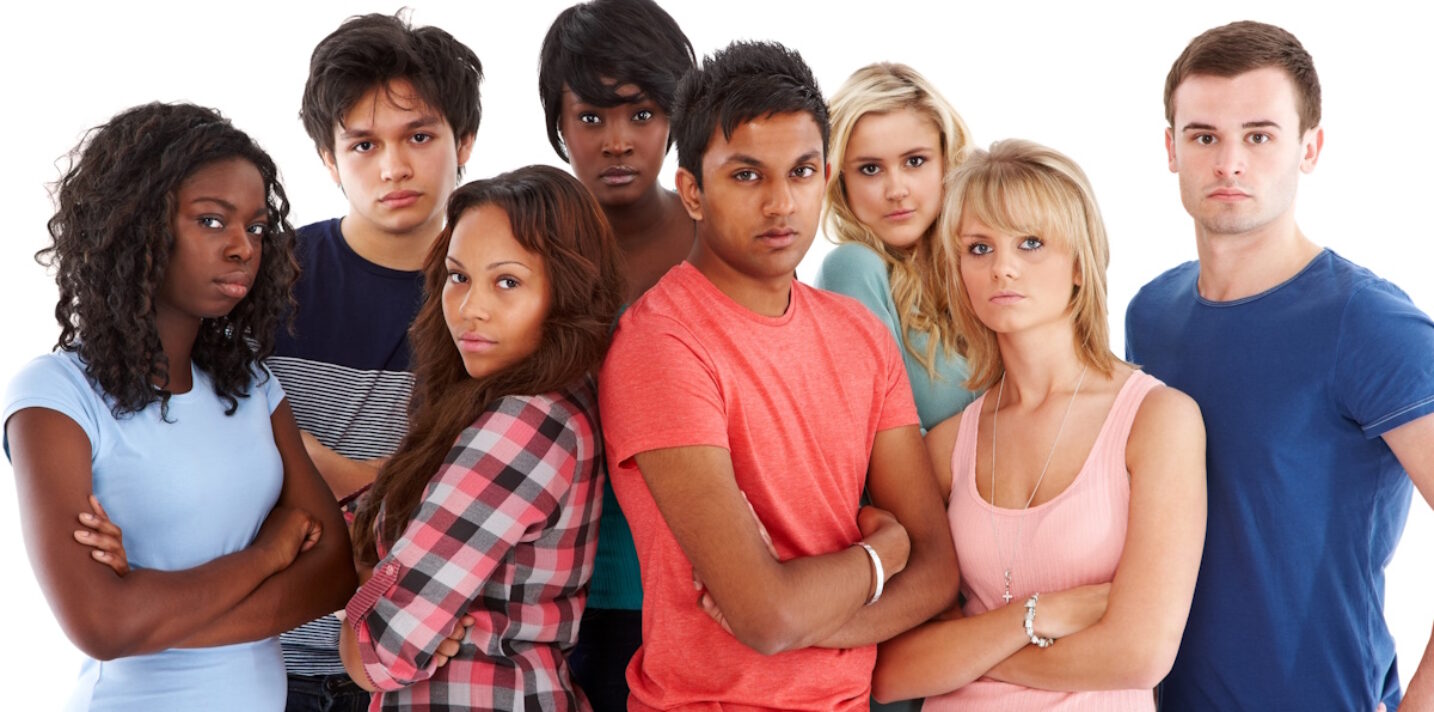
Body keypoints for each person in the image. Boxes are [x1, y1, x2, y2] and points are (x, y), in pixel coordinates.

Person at [598, 40, 958, 711]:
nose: (780, 204)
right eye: (746, 175)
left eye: (800, 172)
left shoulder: (860, 337)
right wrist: (884, 555)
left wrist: (813, 621)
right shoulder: (660, 346)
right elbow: (764, 615)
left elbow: (937, 570)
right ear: (693, 193)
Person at [2, 102, 356, 711]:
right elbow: (102, 626)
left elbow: (334, 572)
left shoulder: (251, 388)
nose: (244, 247)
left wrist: (151, 609)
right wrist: (268, 557)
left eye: (256, 226)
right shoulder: (57, 397)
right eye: (212, 222)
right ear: (137, 225)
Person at [1126, 21, 1434, 711]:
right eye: (1205, 136)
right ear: (1171, 148)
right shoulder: (1150, 314)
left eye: (1259, 135)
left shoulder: (1369, 322)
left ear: (1310, 148)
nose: (1229, 162)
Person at [871, 139, 1205, 710]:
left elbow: (1141, 654)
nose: (1003, 266)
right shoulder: (948, 446)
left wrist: (965, 652)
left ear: (1080, 264)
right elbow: (892, 671)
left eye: (1031, 243)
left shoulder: (1157, 420)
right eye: (979, 247)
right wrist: (1044, 614)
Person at [338, 165, 625, 710]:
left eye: (507, 281)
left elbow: (379, 652)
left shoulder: (523, 424)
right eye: (457, 276)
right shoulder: (554, 400)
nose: (470, 308)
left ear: (567, 292)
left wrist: (362, 603)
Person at [275, 13, 483, 710]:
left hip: (425, 661)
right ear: (329, 161)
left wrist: (334, 473)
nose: (394, 166)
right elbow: (215, 447)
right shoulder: (265, 279)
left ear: (466, 143)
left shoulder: (497, 292)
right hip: (268, 661)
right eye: (363, 144)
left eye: (419, 136)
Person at [536, 2, 695, 706]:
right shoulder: (524, 243)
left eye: (641, 114)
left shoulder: (716, 243)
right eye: (591, 119)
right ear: (558, 125)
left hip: (687, 580)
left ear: (676, 118)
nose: (618, 142)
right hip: (539, 583)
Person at [817, 62, 978, 432]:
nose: (897, 190)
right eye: (870, 169)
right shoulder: (853, 267)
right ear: (841, 180)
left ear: (947, 161)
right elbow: (886, 445)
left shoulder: (979, 261)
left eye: (915, 161)